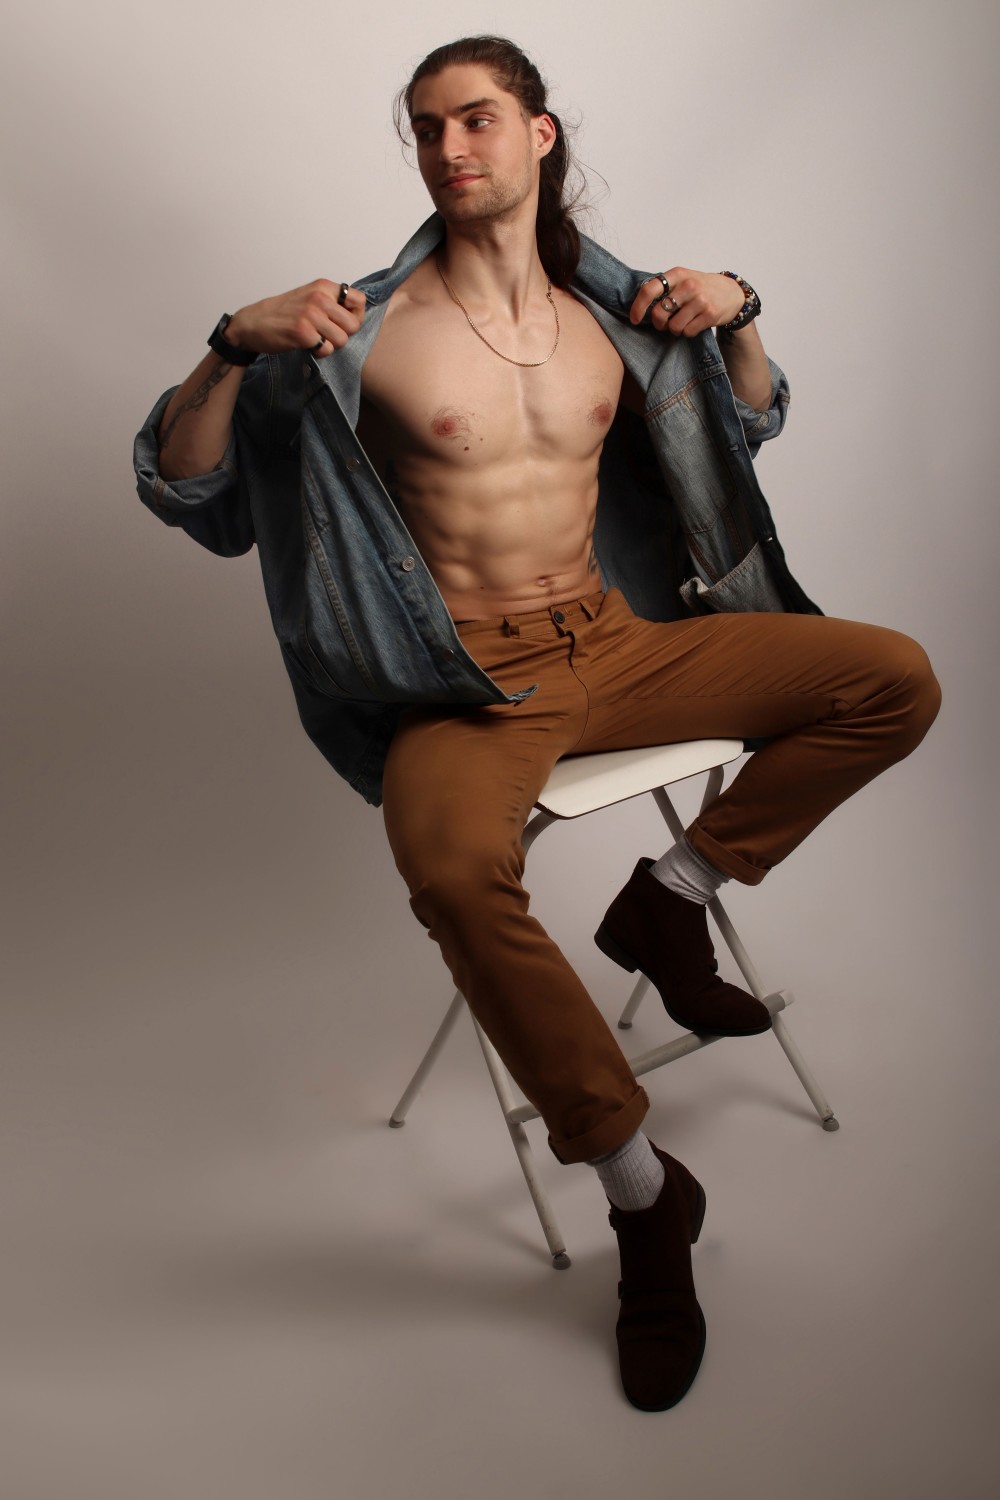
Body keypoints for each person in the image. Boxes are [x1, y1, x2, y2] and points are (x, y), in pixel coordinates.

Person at [134, 35, 940, 1412]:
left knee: (893, 679)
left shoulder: (614, 319)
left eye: (477, 120)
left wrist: (742, 308)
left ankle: (671, 900)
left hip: (615, 642)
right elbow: (186, 492)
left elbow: (746, 427)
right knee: (453, 871)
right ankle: (641, 1194)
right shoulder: (362, 331)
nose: (449, 150)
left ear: (540, 131)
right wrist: (226, 346)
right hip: (465, 679)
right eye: (426, 128)